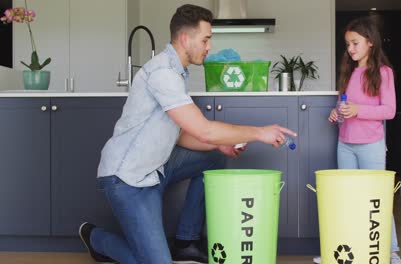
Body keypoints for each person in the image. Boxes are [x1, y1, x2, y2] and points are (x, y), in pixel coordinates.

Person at [78, 4, 296, 264]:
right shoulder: (163, 73)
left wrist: (220, 146)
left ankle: (186, 241)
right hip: (128, 178)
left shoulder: (178, 71)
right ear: (185, 39)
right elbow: (204, 130)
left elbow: (179, 134)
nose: (209, 46)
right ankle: (96, 238)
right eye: (205, 39)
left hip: (157, 167)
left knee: (215, 157)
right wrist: (259, 132)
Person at [322, 17, 401, 264]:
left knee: (377, 199)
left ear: (370, 42)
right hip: (345, 144)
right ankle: (351, 249)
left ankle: (390, 252)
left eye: (355, 43)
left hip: (371, 145)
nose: (351, 49)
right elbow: (343, 104)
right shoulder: (348, 71)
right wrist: (336, 114)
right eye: (347, 44)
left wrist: (358, 110)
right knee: (348, 199)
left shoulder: (384, 73)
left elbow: (388, 111)